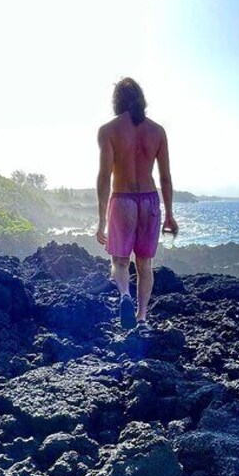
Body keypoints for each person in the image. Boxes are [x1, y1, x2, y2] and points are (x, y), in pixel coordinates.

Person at [96, 77, 178, 331]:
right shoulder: (158, 131)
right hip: (150, 201)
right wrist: (170, 215)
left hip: (122, 200)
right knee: (145, 264)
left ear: (116, 101)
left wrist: (101, 220)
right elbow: (165, 177)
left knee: (120, 262)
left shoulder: (108, 130)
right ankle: (142, 318)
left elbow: (104, 177)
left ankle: (125, 297)